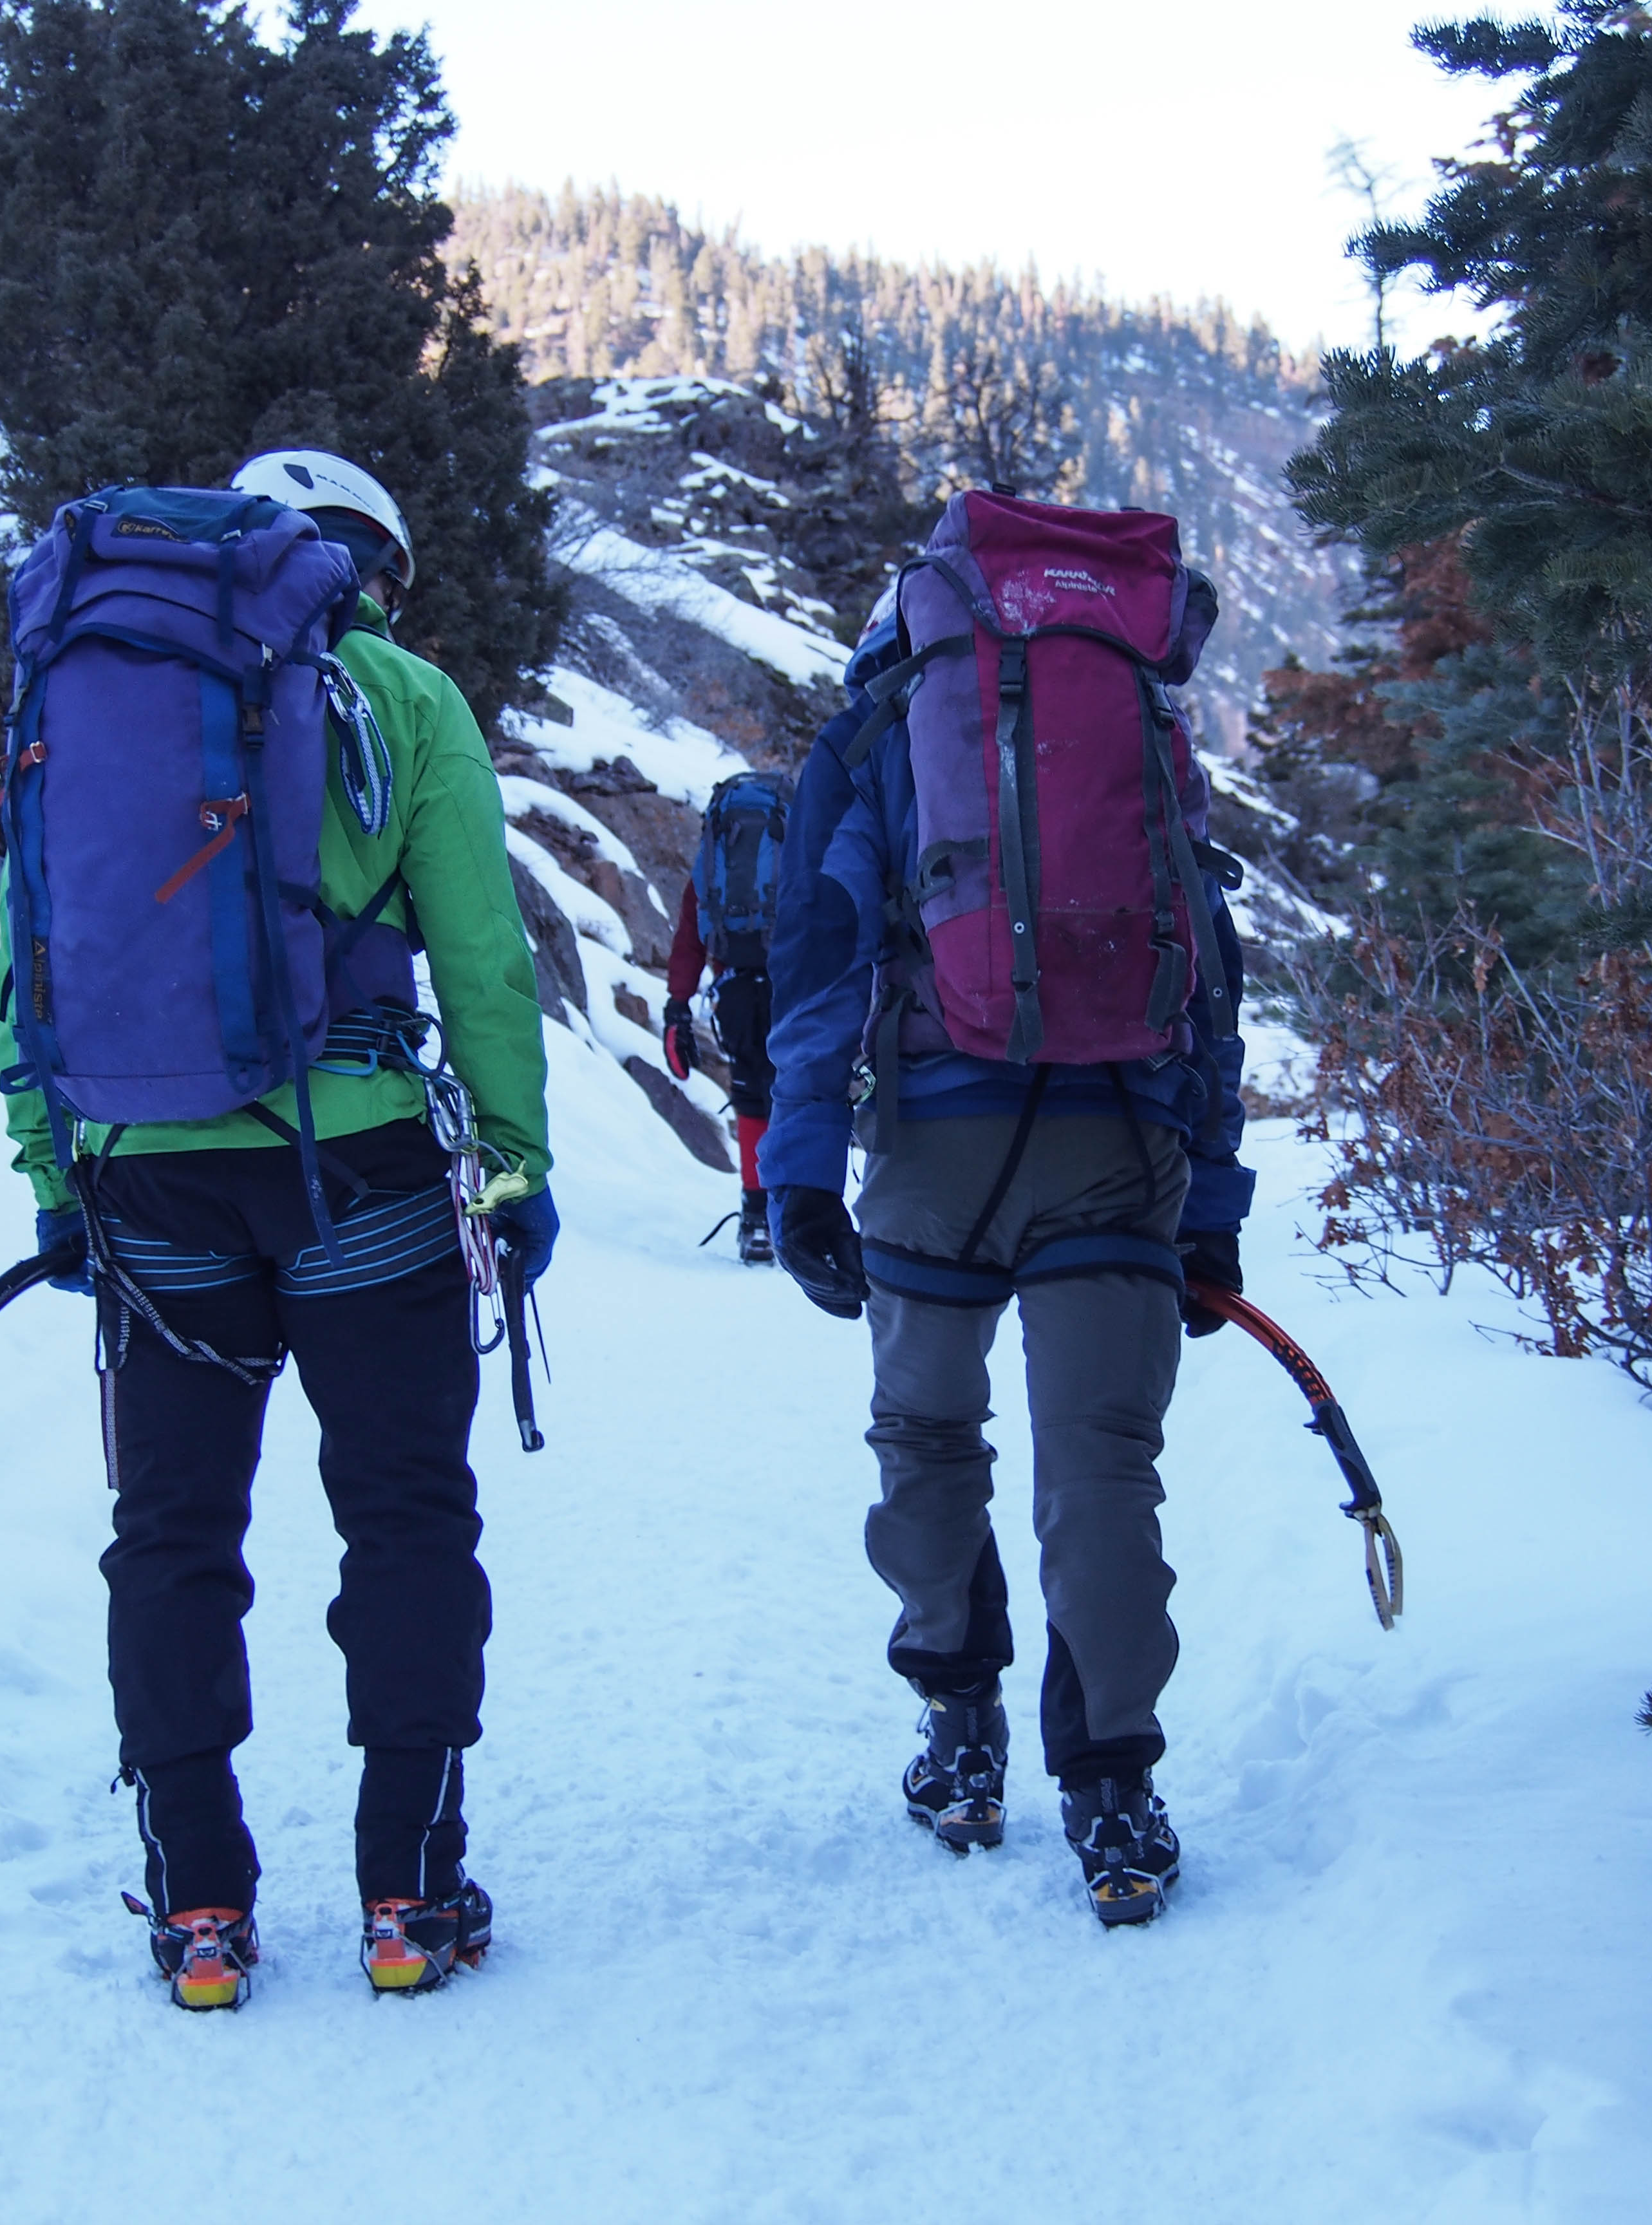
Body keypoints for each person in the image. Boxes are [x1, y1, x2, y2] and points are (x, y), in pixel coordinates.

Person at [0, 450, 553, 2007]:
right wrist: (512, 1160)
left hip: (148, 1177)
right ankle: (408, 1891)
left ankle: (201, 1905)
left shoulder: (92, 674)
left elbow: (22, 954)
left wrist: (54, 1177)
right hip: (358, 1169)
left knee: (174, 1533)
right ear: (369, 568)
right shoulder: (406, 697)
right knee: (405, 1513)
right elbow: (482, 956)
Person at [758, 549, 1253, 1930]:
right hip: (1119, 1139)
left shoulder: (875, 732)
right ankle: (1113, 1795)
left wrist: (799, 1164)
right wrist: (1211, 1198)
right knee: (1103, 1466)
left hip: (935, 1141)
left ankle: (962, 1732)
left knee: (927, 1436)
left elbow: (821, 953)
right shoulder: (1139, 723)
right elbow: (1210, 968)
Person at [662, 770, 786, 1263]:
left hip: (734, 985)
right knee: (796, 1095)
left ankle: (757, 1218)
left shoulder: (714, 856)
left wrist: (678, 1006)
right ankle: (795, 1210)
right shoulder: (790, 840)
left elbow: (691, 932)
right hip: (790, 984)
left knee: (750, 1095)